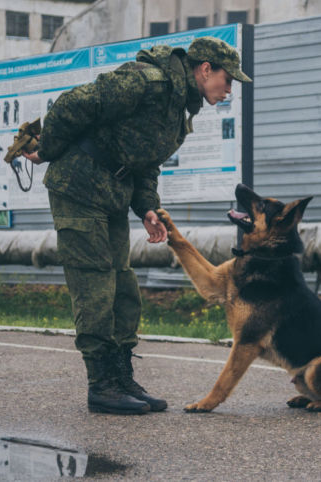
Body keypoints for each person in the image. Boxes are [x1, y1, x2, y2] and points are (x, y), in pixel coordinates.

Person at [22, 36, 252, 415]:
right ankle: (101, 385)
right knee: (95, 283)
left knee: (122, 285)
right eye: (227, 80)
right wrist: (46, 150)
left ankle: (121, 376)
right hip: (77, 186)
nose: (229, 90)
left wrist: (147, 207)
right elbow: (71, 105)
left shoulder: (178, 108)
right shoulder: (147, 81)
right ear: (205, 68)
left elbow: (147, 161)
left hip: (112, 193)